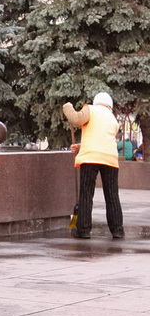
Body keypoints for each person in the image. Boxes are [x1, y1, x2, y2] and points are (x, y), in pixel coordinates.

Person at [63, 91, 124, 239]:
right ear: (110, 105)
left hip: (90, 158)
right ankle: (117, 230)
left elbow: (76, 119)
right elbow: (101, 139)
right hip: (110, 159)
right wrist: (80, 146)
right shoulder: (113, 119)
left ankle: (83, 230)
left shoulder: (91, 109)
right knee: (112, 195)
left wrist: (67, 107)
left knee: (86, 194)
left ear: (96, 102)